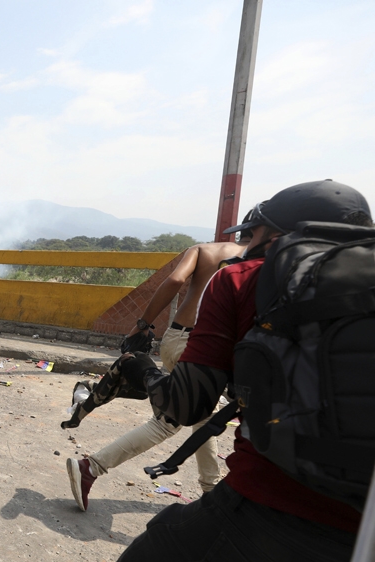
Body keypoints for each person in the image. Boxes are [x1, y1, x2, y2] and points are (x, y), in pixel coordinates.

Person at [116, 180, 369, 562]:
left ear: (275, 234)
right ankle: (205, 481)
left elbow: (187, 406)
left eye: (253, 232)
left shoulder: (242, 277)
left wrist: (141, 369)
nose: (247, 241)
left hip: (269, 503)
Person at [67, 235, 247, 511]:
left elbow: (175, 281)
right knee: (167, 422)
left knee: (202, 417)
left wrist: (143, 323)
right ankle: (91, 467)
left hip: (176, 337)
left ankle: (211, 491)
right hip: (206, 348)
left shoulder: (203, 249)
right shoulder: (259, 262)